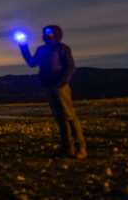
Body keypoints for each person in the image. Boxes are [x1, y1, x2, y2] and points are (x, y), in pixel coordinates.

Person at [18, 24, 87, 159]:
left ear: (56, 33)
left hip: (60, 86)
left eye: (49, 32)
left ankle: (81, 148)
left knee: (69, 116)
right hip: (48, 86)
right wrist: (23, 46)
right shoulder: (41, 49)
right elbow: (32, 63)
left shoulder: (62, 48)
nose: (46, 34)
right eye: (44, 32)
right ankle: (67, 149)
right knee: (60, 118)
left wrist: (62, 82)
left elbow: (70, 66)